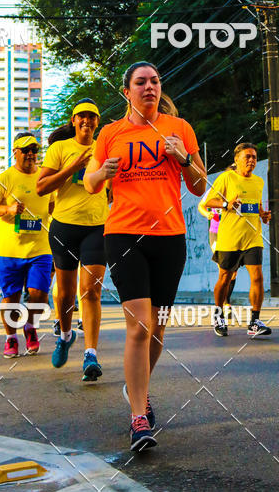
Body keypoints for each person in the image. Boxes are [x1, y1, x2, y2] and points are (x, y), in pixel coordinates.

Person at [84, 62, 206, 451]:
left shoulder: (179, 128)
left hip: (170, 238)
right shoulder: (110, 133)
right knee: (139, 325)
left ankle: (138, 387)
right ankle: (139, 416)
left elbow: (201, 185)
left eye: (155, 81)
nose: (150, 87)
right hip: (123, 235)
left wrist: (182, 158)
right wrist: (102, 172)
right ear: (127, 92)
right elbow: (88, 183)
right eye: (141, 82)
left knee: (158, 326)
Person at [37, 100, 108, 380]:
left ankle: (91, 355)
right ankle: (66, 336)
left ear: (97, 122)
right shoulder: (60, 149)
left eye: (92, 117)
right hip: (64, 227)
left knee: (90, 291)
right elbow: (42, 187)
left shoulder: (104, 148)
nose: (87, 121)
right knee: (65, 295)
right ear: (74, 120)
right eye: (82, 117)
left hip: (97, 228)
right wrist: (72, 167)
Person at [0, 133, 53, 358]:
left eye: (34, 149)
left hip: (40, 248)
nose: (31, 154)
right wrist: (8, 210)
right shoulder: (4, 179)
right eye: (26, 150)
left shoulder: (45, 177)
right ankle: (10, 337)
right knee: (11, 298)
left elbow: (52, 205)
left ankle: (30, 326)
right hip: (9, 249)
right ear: (15, 152)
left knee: (39, 293)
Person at [203, 143, 272, 338]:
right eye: (247, 157)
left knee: (257, 277)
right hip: (230, 238)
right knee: (225, 279)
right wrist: (226, 203)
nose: (251, 160)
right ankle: (218, 315)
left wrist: (263, 215)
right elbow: (209, 201)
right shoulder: (226, 177)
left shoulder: (258, 182)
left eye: (254, 157)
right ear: (236, 160)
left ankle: (254, 321)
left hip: (253, 237)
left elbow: (256, 205)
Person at [198, 189, 238, 321]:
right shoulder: (214, 190)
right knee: (223, 269)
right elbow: (201, 206)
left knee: (233, 272)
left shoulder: (238, 190)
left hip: (233, 233)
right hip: (216, 234)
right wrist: (207, 214)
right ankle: (225, 304)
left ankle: (226, 301)